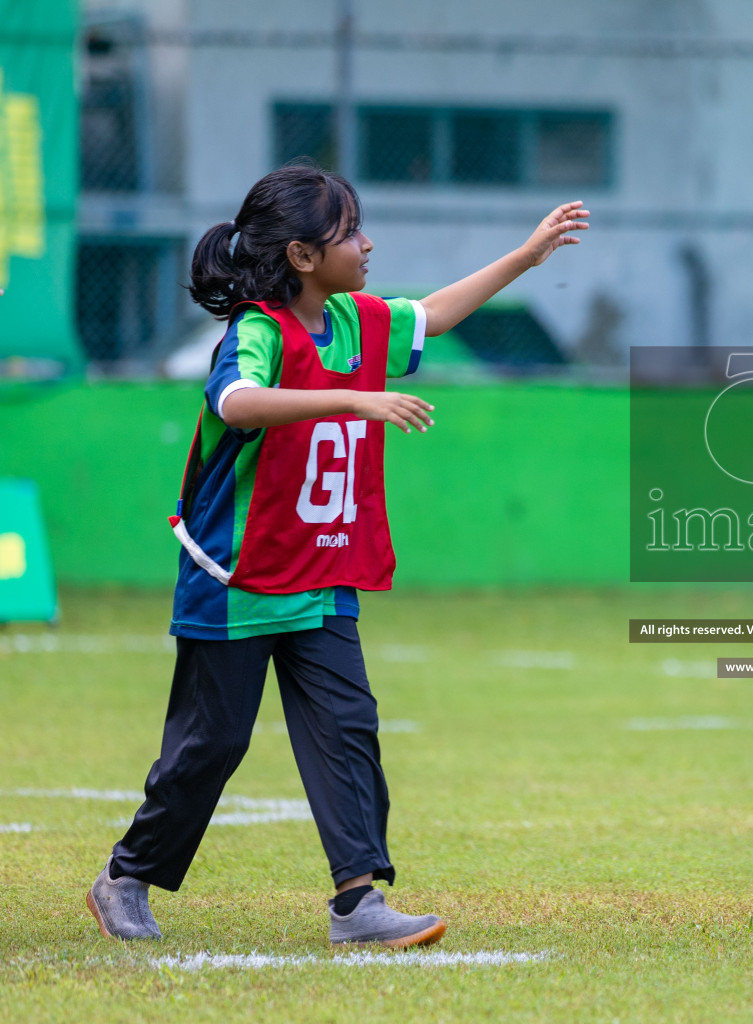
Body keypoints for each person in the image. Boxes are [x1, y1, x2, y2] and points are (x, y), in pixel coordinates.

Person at [86, 164, 588, 946]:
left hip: (320, 576)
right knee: (211, 746)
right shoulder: (258, 331)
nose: (367, 243)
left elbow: (433, 315)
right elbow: (236, 402)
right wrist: (353, 397)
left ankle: (358, 902)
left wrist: (526, 257)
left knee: (347, 727)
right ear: (301, 257)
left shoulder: (355, 321)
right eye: (349, 232)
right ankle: (126, 877)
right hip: (236, 579)